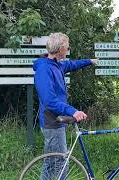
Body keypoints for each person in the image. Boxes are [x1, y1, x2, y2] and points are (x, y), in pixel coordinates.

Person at [33, 32, 97, 179]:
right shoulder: (45, 69)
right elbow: (49, 100)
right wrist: (73, 111)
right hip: (52, 120)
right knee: (62, 161)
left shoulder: (55, 64)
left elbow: (70, 65)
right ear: (60, 49)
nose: (68, 50)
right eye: (67, 47)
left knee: (50, 161)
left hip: (56, 118)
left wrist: (89, 61)